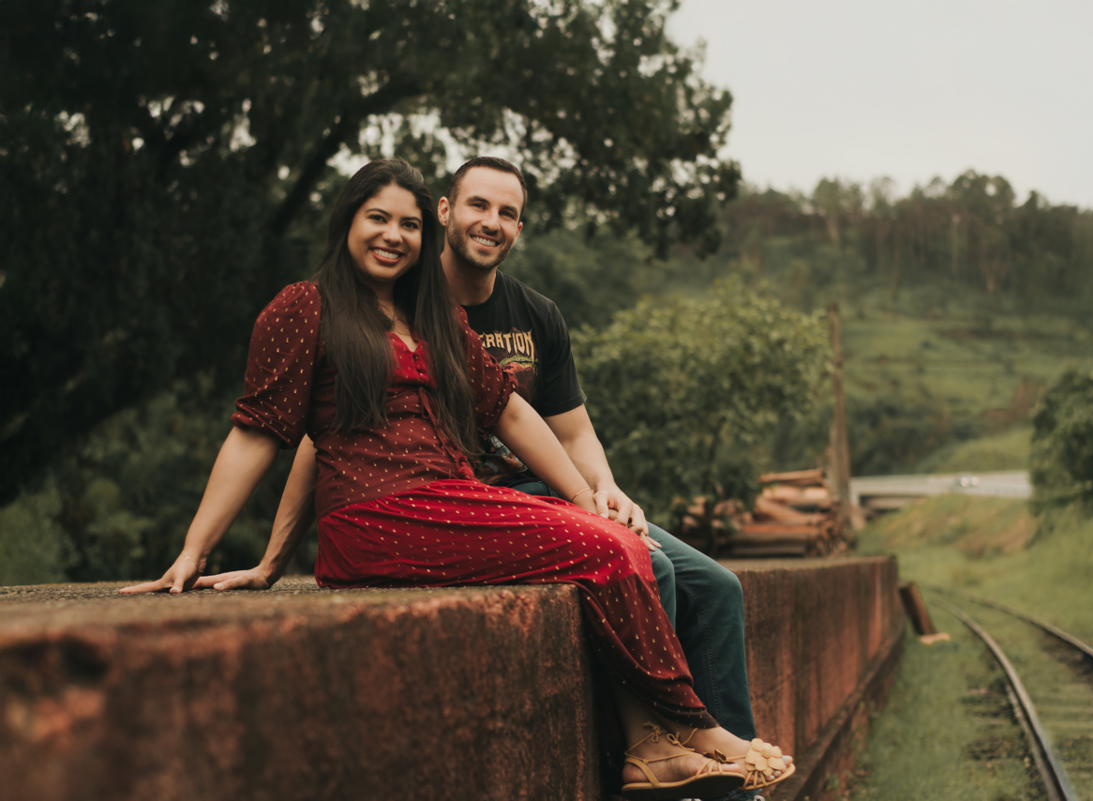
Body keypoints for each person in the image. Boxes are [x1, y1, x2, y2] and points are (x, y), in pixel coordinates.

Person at [120, 159, 788, 800]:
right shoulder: (305, 308)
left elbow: (512, 410)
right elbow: (262, 433)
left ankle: (654, 745)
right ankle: (697, 726)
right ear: (347, 220)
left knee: (618, 544)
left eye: (407, 225)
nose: (393, 236)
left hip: (448, 498)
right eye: (377, 218)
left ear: (425, 233)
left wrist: (589, 499)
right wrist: (200, 551)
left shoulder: (433, 317)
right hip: (377, 516)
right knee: (612, 551)